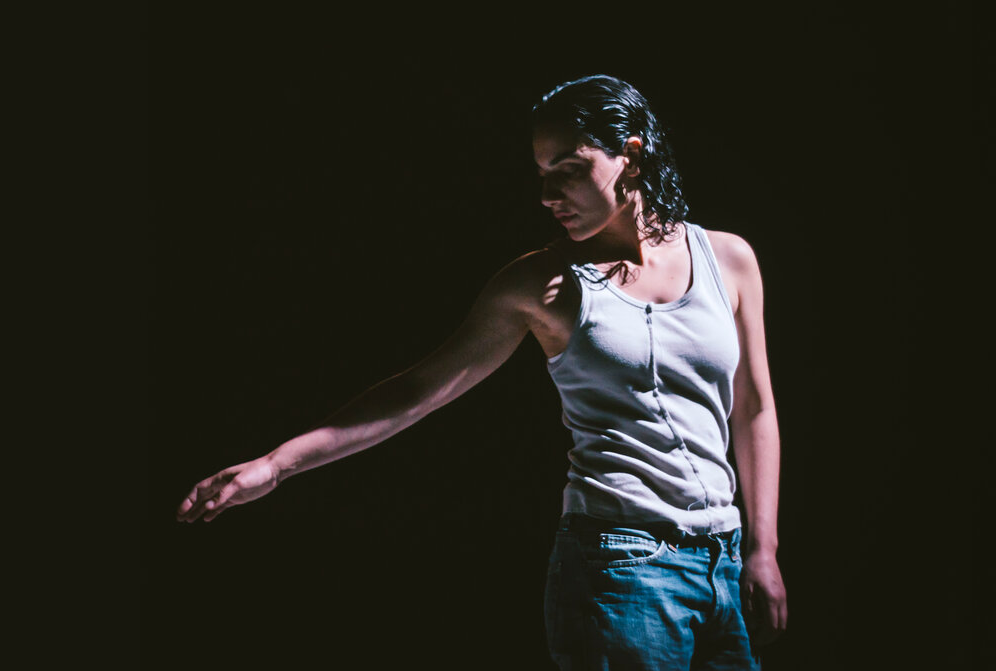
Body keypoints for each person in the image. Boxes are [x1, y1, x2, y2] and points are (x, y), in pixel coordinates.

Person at [176, 74, 787, 670]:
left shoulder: (728, 260)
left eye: (568, 170)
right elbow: (418, 390)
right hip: (620, 570)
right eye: (542, 174)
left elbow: (754, 407)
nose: (548, 195)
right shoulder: (540, 285)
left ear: (629, 155)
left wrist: (764, 548)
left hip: (724, 565)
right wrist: (277, 464)